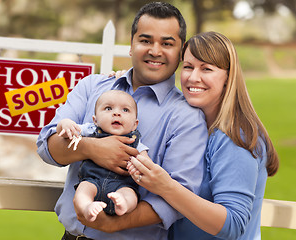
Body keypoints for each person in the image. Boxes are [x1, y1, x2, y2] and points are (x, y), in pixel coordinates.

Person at [36, 2, 208, 240]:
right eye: (145, 41)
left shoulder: (187, 117)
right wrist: (92, 148)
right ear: (131, 45)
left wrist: (113, 224)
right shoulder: (92, 87)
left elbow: (179, 197)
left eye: (167, 43)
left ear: (180, 52)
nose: (155, 51)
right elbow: (47, 147)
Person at [127, 31, 279, 240]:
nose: (193, 77)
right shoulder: (190, 126)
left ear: (228, 77)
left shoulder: (234, 137)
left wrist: (166, 187)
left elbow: (233, 224)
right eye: (188, 66)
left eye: (206, 69)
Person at [57, 90, 149, 222]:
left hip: (122, 185)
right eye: (108, 108)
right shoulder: (90, 130)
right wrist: (64, 124)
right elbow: (65, 132)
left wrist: (141, 167)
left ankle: (123, 204)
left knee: (131, 195)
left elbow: (146, 163)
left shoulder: (135, 141)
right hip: (92, 181)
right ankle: (87, 207)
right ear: (95, 120)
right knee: (82, 191)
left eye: (125, 110)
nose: (116, 113)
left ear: (135, 124)